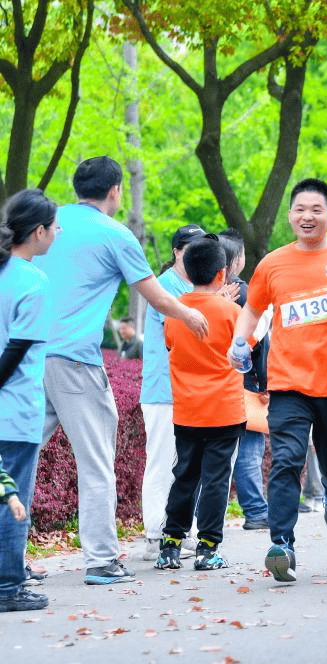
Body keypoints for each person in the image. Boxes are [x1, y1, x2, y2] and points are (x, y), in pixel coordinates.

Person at [33, 157, 208, 585]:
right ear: (115, 191)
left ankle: (8, 561)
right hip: (75, 361)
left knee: (17, 460)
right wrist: (194, 316)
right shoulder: (116, 234)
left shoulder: (46, 227)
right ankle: (101, 561)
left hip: (28, 357)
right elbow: (158, 296)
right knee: (96, 463)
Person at [229, 178, 327, 583]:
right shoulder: (273, 263)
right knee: (286, 460)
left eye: (316, 210)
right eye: (300, 209)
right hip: (288, 383)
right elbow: (253, 308)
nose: (307, 216)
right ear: (289, 216)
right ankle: (282, 543)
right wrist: (239, 340)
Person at [155, 236, 245, 571]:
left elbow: (170, 347)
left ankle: (170, 545)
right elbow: (247, 348)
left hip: (187, 410)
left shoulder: (175, 313)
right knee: (216, 479)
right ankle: (207, 548)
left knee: (185, 476)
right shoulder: (232, 313)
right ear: (222, 274)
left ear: (188, 273)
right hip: (224, 409)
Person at [0, 189, 59, 611]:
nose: (56, 233)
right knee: (12, 497)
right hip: (15, 408)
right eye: (54, 227)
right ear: (38, 232)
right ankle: (7, 587)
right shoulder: (35, 282)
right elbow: (17, 349)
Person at [138, 223, 206, 560]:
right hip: (163, 389)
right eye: (191, 247)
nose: (197, 252)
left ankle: (182, 531)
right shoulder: (164, 288)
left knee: (188, 465)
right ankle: (154, 533)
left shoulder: (197, 287)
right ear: (177, 251)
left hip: (189, 390)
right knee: (163, 463)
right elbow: (183, 329)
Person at [219, 230, 269, 530]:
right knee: (250, 447)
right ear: (236, 260)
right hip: (246, 380)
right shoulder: (247, 294)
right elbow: (261, 340)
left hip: (215, 382)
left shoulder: (203, 293)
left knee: (218, 451)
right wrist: (265, 382)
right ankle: (256, 511)